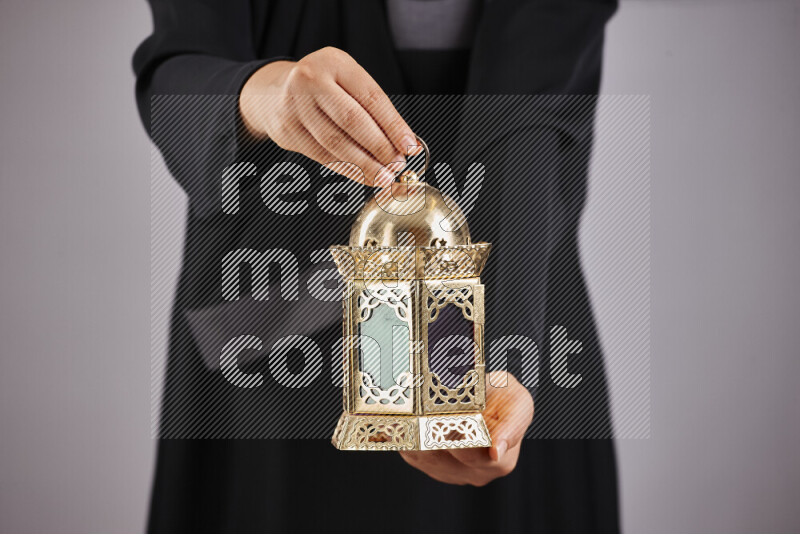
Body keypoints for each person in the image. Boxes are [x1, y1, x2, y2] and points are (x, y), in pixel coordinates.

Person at [134, 0, 620, 532]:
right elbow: (176, 68)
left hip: (518, 287)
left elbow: (535, 115)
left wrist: (501, 359)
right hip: (269, 330)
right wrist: (266, 92)